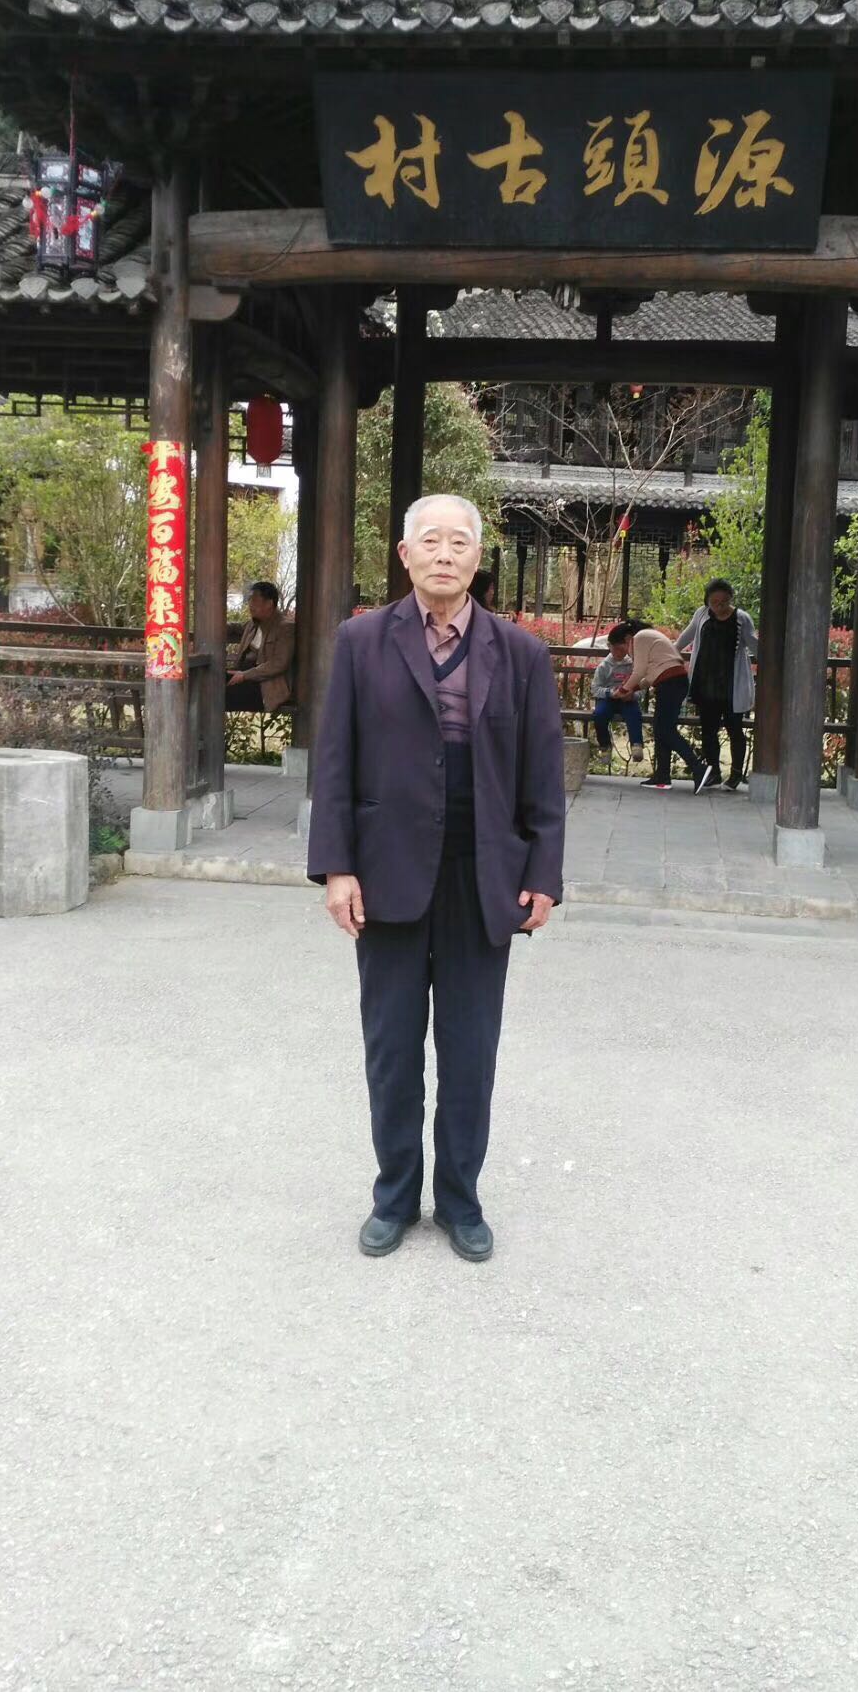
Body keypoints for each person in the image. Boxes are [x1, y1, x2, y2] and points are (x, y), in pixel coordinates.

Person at [308, 494, 565, 1265]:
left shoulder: (520, 654)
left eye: (459, 543)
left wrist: (543, 874)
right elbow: (335, 760)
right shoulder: (361, 641)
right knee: (392, 1050)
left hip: (483, 876)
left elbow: (543, 775)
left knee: (470, 1051)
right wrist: (337, 868)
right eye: (431, 541)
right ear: (405, 554)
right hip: (387, 872)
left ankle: (459, 1201)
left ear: (477, 558)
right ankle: (394, 1197)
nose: (445, 554)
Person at [676, 579, 758, 791]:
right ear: (708, 601)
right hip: (706, 682)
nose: (719, 606)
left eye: (724, 602)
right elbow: (685, 637)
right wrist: (670, 653)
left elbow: (754, 645)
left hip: (732, 685)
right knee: (708, 730)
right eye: (715, 602)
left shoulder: (741, 618)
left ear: (730, 599)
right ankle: (713, 773)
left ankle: (736, 774)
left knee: (734, 729)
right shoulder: (701, 614)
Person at [617, 622, 712, 793]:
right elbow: (649, 676)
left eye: (622, 647)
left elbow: (639, 671)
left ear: (627, 638)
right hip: (672, 682)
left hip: (670, 684)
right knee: (661, 729)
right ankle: (662, 775)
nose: (626, 653)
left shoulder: (639, 637)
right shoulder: (651, 636)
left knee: (665, 730)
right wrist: (633, 688)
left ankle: (698, 767)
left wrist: (622, 690)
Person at [225, 580, 296, 713]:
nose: (250, 605)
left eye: (255, 600)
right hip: (241, 675)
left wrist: (245, 675)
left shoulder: (285, 628)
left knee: (218, 695)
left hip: (264, 687)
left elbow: (279, 663)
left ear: (269, 603)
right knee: (209, 683)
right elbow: (236, 627)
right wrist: (215, 626)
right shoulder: (253, 624)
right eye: (250, 600)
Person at [590, 622, 645, 764]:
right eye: (616, 649)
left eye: (622, 649)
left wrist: (632, 695)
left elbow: (641, 688)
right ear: (610, 647)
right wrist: (610, 693)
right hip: (608, 699)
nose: (619, 653)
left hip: (628, 699)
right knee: (599, 714)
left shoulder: (632, 665)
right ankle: (605, 746)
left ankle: (637, 745)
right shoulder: (604, 666)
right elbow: (595, 688)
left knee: (634, 714)